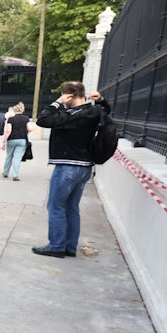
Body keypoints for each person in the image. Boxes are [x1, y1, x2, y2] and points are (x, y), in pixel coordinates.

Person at [32, 83, 110, 258]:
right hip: (84, 167)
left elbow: (42, 120)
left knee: (55, 206)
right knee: (71, 207)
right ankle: (69, 246)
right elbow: (107, 110)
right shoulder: (93, 112)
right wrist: (101, 100)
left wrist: (57, 102)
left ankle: (56, 246)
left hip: (67, 166)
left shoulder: (70, 115)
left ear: (69, 95)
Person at [0, 102, 35, 180]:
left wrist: (4, 141)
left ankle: (5, 172)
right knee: (17, 158)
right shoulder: (26, 118)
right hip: (22, 140)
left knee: (9, 156)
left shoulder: (11, 119)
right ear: (22, 110)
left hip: (11, 140)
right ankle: (15, 175)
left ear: (14, 111)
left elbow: (8, 131)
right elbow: (29, 129)